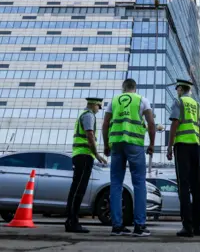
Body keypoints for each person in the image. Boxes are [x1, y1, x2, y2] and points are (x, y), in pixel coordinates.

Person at [102, 78, 156, 237]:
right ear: (135, 88)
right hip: (134, 144)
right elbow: (151, 123)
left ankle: (116, 226)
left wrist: (106, 145)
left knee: (116, 184)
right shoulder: (142, 100)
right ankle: (139, 226)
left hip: (117, 144)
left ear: (123, 88)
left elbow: (105, 124)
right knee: (139, 183)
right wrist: (152, 144)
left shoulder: (114, 101)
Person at [167, 79, 200, 238]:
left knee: (184, 186)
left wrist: (169, 146)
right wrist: (198, 144)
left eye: (177, 89)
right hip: (195, 146)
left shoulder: (178, 102)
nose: (177, 92)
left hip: (182, 146)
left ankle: (186, 226)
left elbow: (175, 123)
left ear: (181, 89)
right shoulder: (197, 105)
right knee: (196, 187)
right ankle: (197, 227)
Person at [65, 97, 108, 233]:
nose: (98, 110)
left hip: (80, 155)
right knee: (79, 190)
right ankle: (73, 222)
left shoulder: (83, 115)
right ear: (94, 105)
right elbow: (90, 136)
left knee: (75, 189)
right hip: (84, 155)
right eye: (98, 107)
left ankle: (70, 220)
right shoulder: (89, 115)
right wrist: (97, 155)